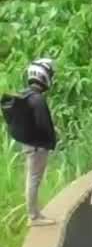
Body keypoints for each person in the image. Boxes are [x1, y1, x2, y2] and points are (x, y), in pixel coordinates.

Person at [3, 59, 58, 226]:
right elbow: (44, 124)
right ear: (44, 77)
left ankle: (34, 213)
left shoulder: (25, 95)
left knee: (31, 178)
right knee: (34, 179)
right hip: (37, 147)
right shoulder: (38, 99)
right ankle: (34, 216)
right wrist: (51, 140)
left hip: (29, 144)